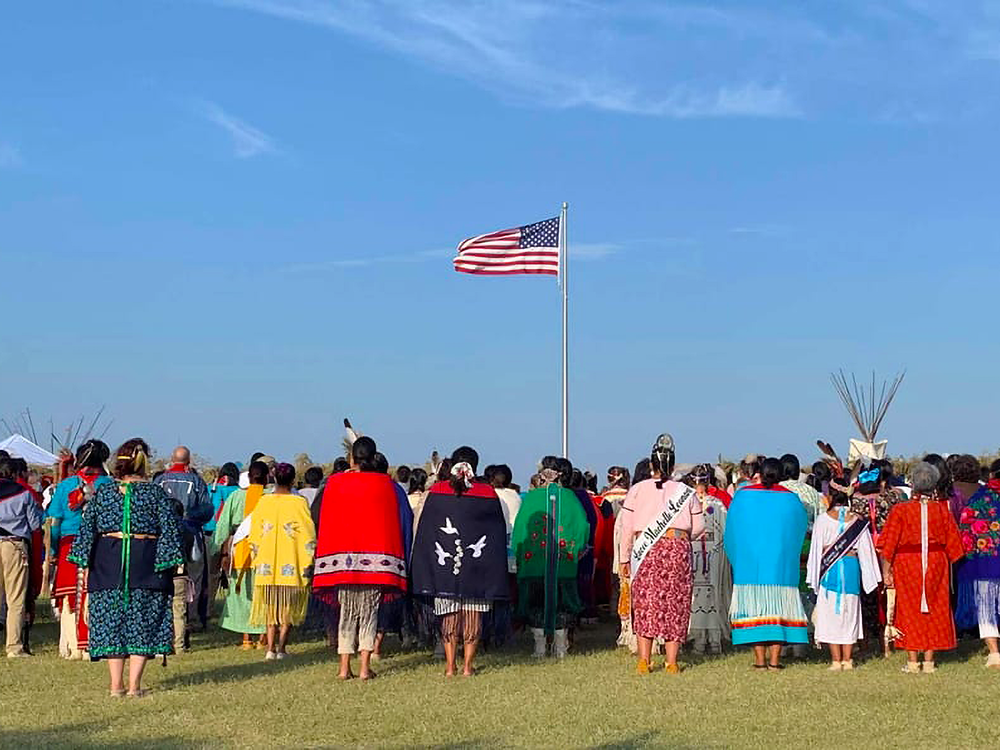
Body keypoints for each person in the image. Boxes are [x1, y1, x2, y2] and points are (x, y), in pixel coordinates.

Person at [68, 438, 183, 697]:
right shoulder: (155, 493)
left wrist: (85, 563)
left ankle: (116, 685)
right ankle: (133, 687)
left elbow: (87, 529)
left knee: (112, 621)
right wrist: (169, 564)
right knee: (143, 619)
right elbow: (171, 530)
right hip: (145, 562)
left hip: (108, 562)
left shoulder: (105, 492)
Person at [312, 436, 407, 680]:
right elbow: (390, 523)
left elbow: (328, 522)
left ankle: (344, 667)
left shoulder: (335, 483)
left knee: (347, 613)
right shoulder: (384, 484)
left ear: (352, 457)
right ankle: (364, 667)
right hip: (376, 561)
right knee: (369, 613)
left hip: (343, 561)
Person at [411, 447, 508, 676]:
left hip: (444, 565)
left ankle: (450, 666)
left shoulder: (437, 490)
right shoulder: (487, 493)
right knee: (473, 614)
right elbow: (496, 532)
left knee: (449, 614)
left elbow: (428, 531)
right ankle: (467, 667)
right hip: (478, 566)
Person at [619, 434, 704, 674]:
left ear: (651, 465)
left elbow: (627, 527)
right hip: (676, 548)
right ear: (673, 465)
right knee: (675, 601)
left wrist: (625, 557)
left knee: (646, 601)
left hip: (645, 549)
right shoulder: (686, 492)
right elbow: (698, 528)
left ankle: (644, 660)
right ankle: (672, 662)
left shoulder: (637, 490)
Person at [724, 457, 809, 670]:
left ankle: (760, 660)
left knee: (755, 611)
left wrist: (738, 558)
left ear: (759, 473)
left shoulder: (743, 497)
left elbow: (732, 532)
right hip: (781, 566)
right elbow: (799, 531)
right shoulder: (792, 500)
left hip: (751, 565)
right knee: (778, 611)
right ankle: (774, 660)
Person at [880, 462, 965, 674]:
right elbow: (955, 545)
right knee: (935, 607)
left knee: (909, 609)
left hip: (907, 563)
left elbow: (888, 543)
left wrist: (886, 570)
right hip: (936, 563)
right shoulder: (941, 510)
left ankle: (912, 661)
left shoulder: (901, 510)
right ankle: (929, 661)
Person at [513, 458, 589, 658]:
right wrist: (576, 551)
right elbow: (582, 527)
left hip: (535, 565)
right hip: (563, 564)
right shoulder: (571, 498)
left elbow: (520, 529)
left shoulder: (531, 498)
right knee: (562, 604)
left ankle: (539, 648)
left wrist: (520, 553)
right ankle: (561, 648)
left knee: (537, 603)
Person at [46, 439, 113, 659]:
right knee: (97, 593)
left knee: (68, 597)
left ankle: (72, 647)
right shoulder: (110, 485)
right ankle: (94, 645)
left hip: (69, 544)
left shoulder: (65, 486)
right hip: (101, 544)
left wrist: (54, 550)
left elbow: (54, 523)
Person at [806, 480, 881, 670]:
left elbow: (815, 551)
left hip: (829, 571)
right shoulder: (857, 521)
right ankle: (848, 660)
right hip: (850, 570)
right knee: (850, 613)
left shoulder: (823, 520)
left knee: (830, 614)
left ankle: (836, 660)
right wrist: (870, 577)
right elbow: (866, 551)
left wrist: (813, 577)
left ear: (830, 496)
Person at [247, 463, 316, 660]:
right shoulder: (299, 502)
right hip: (291, 561)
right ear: (293, 480)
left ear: (274, 478)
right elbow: (308, 533)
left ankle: (270, 648)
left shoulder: (263, 501)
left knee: (271, 606)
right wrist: (308, 558)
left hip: (267, 561)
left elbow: (255, 531)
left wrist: (256, 555)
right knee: (287, 607)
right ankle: (281, 648)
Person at [154, 446, 214, 643]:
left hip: (162, 536)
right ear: (189, 462)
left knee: (163, 578)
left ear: (172, 460)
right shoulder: (196, 481)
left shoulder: (160, 480)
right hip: (192, 535)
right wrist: (190, 518)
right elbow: (207, 509)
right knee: (193, 579)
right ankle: (191, 618)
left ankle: (165, 619)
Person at [211, 461, 269, 648]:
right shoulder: (270, 497)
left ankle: (246, 638)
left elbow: (223, 525)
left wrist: (215, 549)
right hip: (266, 550)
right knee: (263, 594)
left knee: (244, 594)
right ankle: (263, 638)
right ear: (267, 477)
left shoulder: (236, 497)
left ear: (249, 477)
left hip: (241, 549)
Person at [954, 456, 1000, 669]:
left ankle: (994, 652)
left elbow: (965, 532)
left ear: (991, 475)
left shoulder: (976, 498)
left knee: (986, 606)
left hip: (982, 563)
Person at [686, 464, 732, 654]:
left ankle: (703, 640)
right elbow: (727, 532)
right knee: (711, 593)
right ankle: (711, 640)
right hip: (710, 554)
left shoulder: (689, 503)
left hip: (700, 553)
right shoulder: (718, 504)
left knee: (698, 596)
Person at [0, 456, 44, 658]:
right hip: (14, 544)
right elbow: (35, 525)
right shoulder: (24, 493)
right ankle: (14, 646)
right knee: (16, 598)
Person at [204, 461, 240, 615]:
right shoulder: (238, 491)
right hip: (232, 536)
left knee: (211, 575)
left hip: (210, 534)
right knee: (232, 574)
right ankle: (233, 608)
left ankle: (208, 608)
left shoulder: (210, 489)